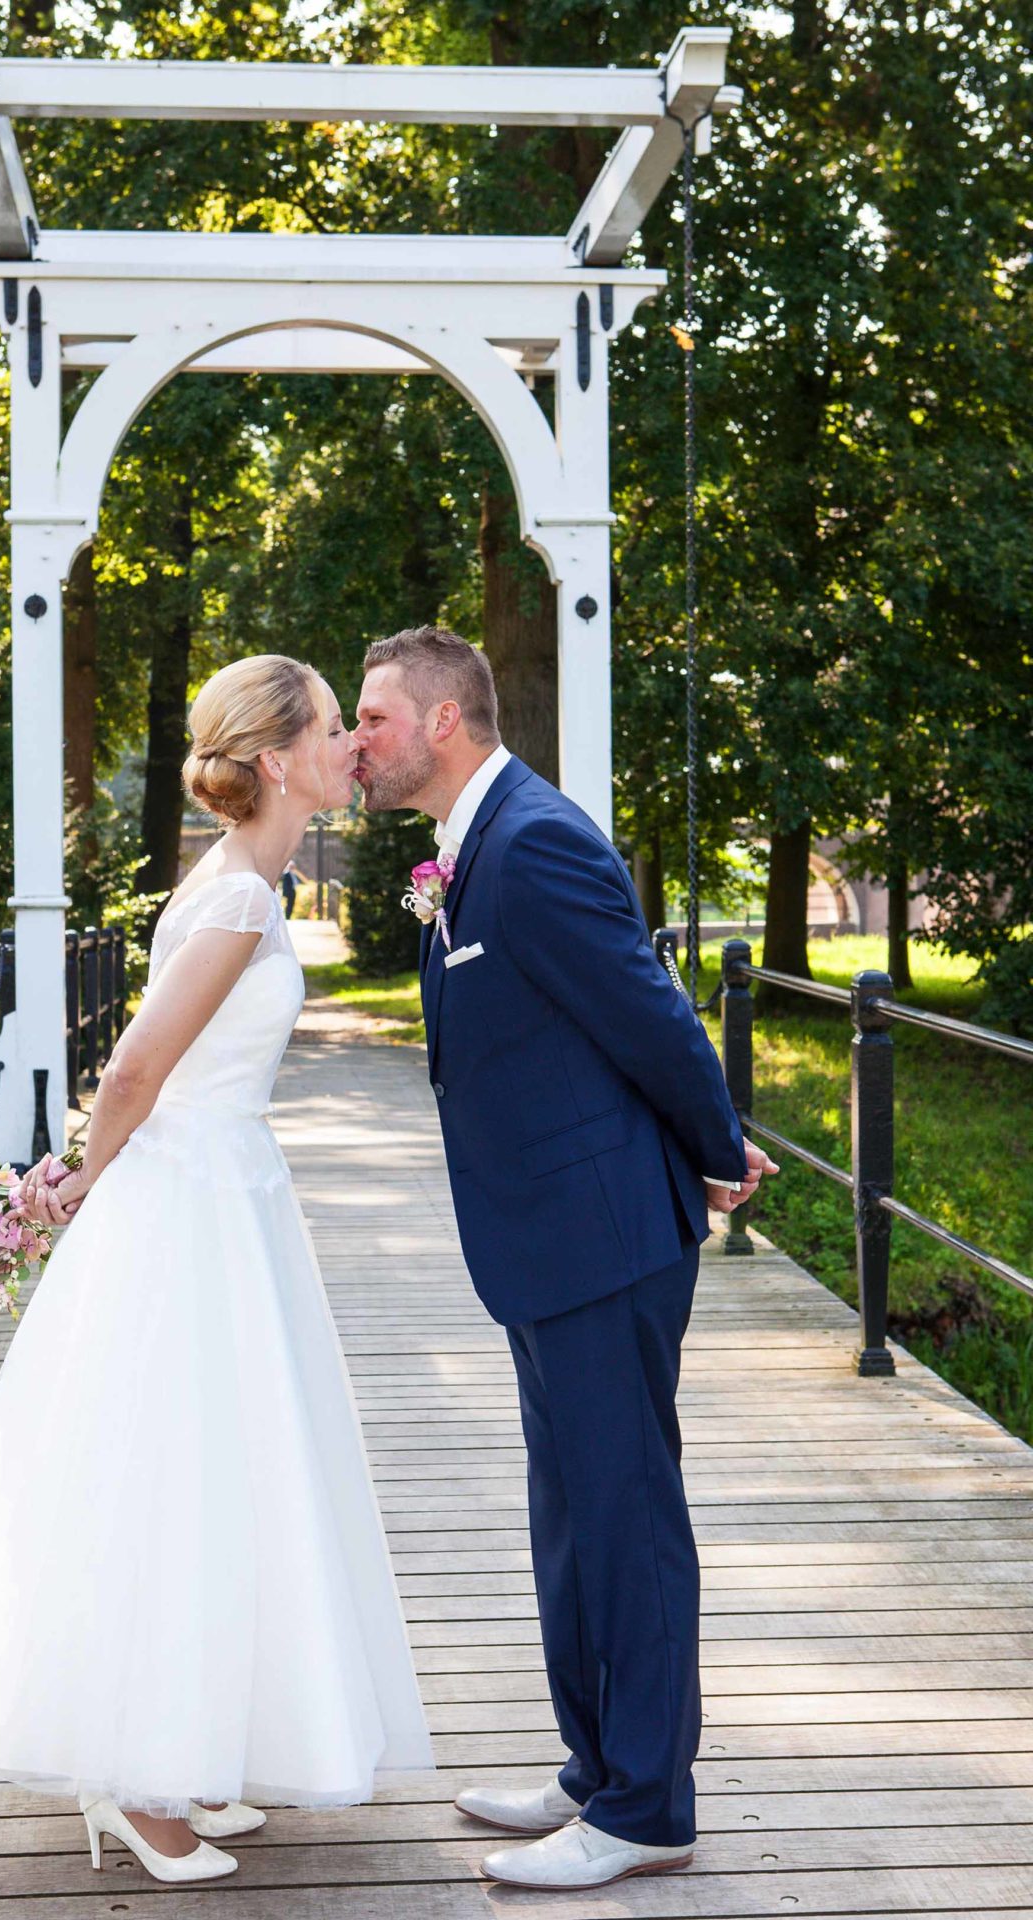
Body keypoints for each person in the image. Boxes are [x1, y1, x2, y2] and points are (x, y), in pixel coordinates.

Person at [0, 654, 433, 1886]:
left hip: (230, 1191)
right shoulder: (238, 902)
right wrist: (74, 1177)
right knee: (170, 1474)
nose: (352, 745)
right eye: (336, 728)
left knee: (218, 1475)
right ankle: (137, 1784)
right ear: (280, 759)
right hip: (188, 1202)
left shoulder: (251, 887)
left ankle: (180, 1754)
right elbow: (133, 1071)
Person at [353, 625, 779, 1893]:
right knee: (568, 1517)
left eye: (373, 717)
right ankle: (594, 1767)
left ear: (441, 723)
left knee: (624, 1514)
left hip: (601, 1236)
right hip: (546, 1238)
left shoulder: (533, 841)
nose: (356, 743)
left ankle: (647, 1807)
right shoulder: (468, 848)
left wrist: (715, 1150)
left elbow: (647, 1011)